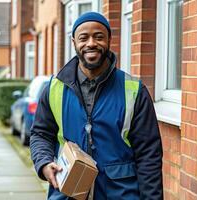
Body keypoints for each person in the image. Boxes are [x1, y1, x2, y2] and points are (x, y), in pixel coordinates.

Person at [30, 12, 163, 200]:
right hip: (68, 193)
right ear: (74, 42)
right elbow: (40, 134)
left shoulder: (134, 90)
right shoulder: (54, 88)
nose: (91, 43)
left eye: (99, 37)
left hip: (121, 194)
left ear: (109, 40)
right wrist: (43, 163)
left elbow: (149, 155)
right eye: (83, 38)